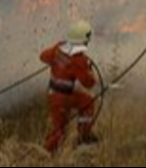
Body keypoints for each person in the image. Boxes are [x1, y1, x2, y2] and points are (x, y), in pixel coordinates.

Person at [39, 19, 100, 152]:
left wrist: (56, 60)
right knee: (59, 132)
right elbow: (89, 83)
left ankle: (83, 135)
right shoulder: (79, 59)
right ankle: (45, 154)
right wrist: (89, 69)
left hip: (54, 93)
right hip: (63, 98)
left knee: (86, 101)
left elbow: (43, 56)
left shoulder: (59, 47)